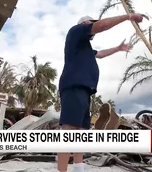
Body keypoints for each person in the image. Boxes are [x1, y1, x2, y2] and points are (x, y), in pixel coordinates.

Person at [57, 13, 145, 172]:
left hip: (84, 91)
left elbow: (101, 54)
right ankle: (62, 169)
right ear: (84, 23)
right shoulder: (76, 32)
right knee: (69, 132)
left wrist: (118, 48)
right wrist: (128, 16)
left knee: (81, 133)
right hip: (74, 87)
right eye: (92, 23)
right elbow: (103, 25)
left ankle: (78, 169)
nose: (94, 27)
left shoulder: (86, 48)